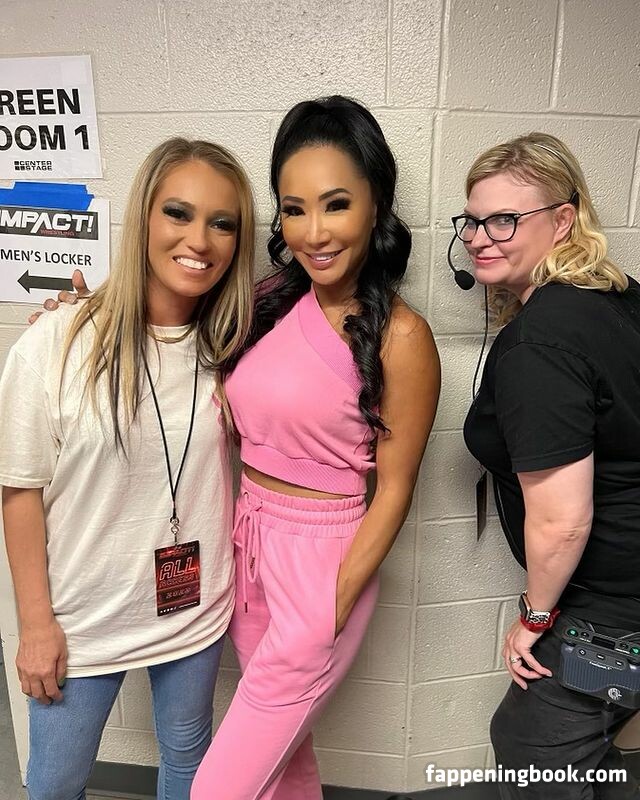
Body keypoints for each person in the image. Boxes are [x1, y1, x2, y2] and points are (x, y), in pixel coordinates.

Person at [189, 96, 440, 799]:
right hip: (249, 547)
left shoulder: (403, 337)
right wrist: (73, 314)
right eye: (294, 210)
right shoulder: (268, 303)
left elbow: (395, 489)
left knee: (218, 789)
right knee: (285, 764)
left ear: (376, 203)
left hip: (322, 562)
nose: (314, 232)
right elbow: (170, 335)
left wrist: (331, 604)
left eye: (336, 205)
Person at [0, 137, 256, 800]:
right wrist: (35, 625)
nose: (199, 239)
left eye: (222, 223)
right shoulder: (55, 341)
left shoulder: (231, 346)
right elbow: (19, 491)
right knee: (54, 785)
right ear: (143, 217)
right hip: (82, 619)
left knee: (189, 761)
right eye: (178, 213)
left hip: (194, 606)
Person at [459, 132, 640, 798]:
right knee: (594, 740)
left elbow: (562, 521)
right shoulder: (618, 299)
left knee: (534, 747)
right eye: (472, 220)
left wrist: (534, 619)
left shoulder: (542, 343)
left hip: (613, 611)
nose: (479, 237)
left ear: (563, 220)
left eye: (504, 219)